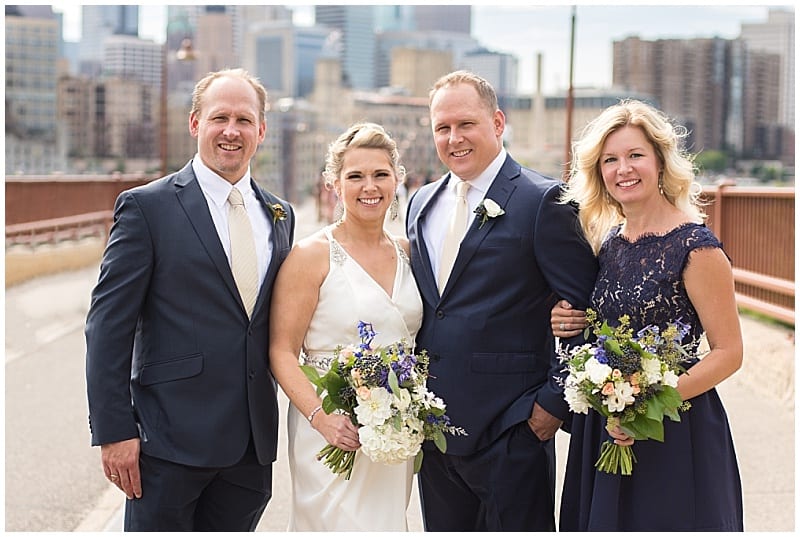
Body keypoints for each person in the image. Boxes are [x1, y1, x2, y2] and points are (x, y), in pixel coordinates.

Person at [84, 68, 295, 531]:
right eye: (220, 117)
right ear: (195, 123)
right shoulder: (146, 208)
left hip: (250, 451)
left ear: (261, 130)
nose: (231, 131)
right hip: (167, 445)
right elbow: (107, 326)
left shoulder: (281, 215)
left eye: (244, 120)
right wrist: (116, 430)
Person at [405, 70, 598, 531]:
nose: (454, 138)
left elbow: (590, 311)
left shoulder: (543, 200)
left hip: (512, 429)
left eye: (466, 124)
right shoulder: (420, 202)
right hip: (435, 432)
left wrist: (553, 404)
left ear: (497, 122)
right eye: (442, 128)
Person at [551, 99, 744, 531]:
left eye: (635, 155)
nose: (624, 169)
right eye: (610, 159)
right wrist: (567, 320)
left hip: (674, 429)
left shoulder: (697, 248)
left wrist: (647, 407)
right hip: (607, 423)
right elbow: (607, 324)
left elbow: (729, 352)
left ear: (660, 161)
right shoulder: (609, 243)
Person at [269, 122, 422, 531]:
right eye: (355, 176)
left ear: (397, 180)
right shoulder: (311, 256)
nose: (368, 187)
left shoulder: (409, 253)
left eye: (380, 175)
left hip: (393, 431)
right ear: (334, 184)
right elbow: (282, 351)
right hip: (330, 429)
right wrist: (322, 418)